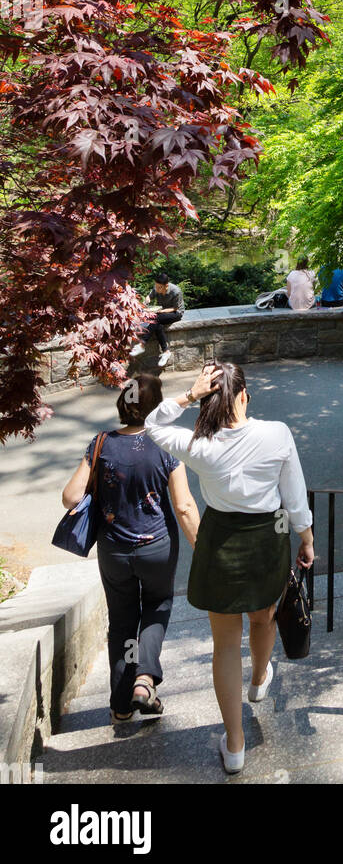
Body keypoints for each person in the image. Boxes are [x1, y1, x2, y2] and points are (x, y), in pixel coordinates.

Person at [144, 362, 314, 774]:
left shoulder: (198, 445)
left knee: (224, 644)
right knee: (263, 617)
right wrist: (306, 539)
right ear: (244, 395)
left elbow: (152, 424)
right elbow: (293, 495)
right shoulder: (277, 434)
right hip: (267, 540)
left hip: (220, 541)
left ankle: (234, 746)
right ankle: (259, 680)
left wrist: (188, 395)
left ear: (211, 400)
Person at [60, 373, 199, 724]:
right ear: (156, 406)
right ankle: (144, 678)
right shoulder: (165, 445)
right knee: (157, 605)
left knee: (122, 622)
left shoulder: (101, 443)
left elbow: (71, 497)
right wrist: (202, 545)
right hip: (157, 548)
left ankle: (121, 705)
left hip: (115, 551)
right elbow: (183, 506)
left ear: (124, 401)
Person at [131, 271, 185, 368]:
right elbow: (150, 296)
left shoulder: (176, 291)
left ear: (166, 285)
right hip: (162, 313)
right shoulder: (157, 287)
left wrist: (161, 312)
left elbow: (175, 308)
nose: (156, 288)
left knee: (156, 318)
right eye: (156, 286)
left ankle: (142, 344)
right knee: (158, 324)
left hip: (176, 313)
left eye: (159, 287)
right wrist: (147, 299)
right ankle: (166, 351)